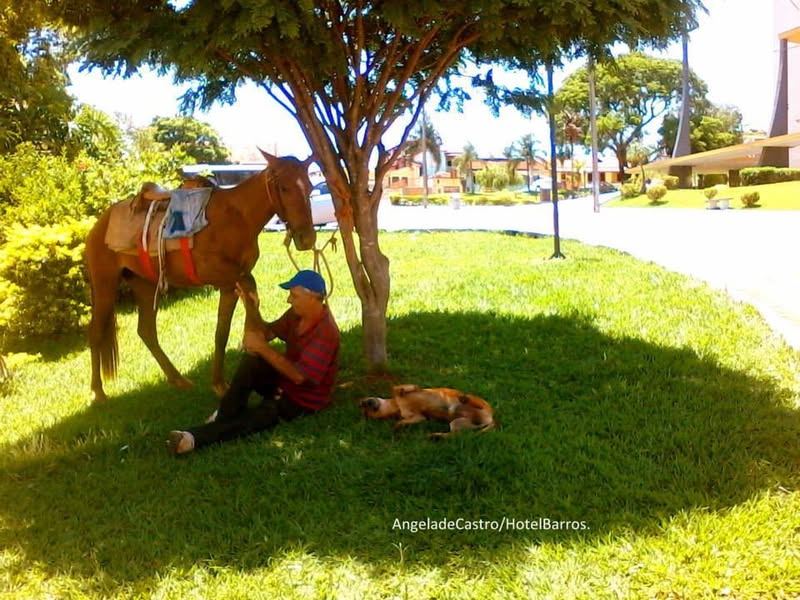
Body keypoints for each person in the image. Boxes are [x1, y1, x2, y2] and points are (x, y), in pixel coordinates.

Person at [167, 270, 340, 455]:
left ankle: (191, 439)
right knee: (252, 362)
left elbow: (299, 376)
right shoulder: (296, 315)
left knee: (261, 416)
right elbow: (268, 333)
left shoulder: (326, 332)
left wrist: (262, 348)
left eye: (294, 296)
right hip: (284, 383)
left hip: (302, 402)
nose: (289, 300)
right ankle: (225, 414)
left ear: (313, 298)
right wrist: (252, 309)